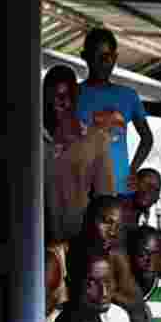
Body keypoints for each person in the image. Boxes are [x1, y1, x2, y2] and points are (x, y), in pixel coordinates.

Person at [66, 194, 157, 322]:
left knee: (138, 314)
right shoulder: (68, 252)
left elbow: (135, 301)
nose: (113, 232)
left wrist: (104, 292)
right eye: (107, 223)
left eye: (118, 227)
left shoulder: (115, 254)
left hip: (107, 316)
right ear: (89, 219)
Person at [75, 28, 153, 196]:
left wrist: (133, 169)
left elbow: (147, 138)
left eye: (107, 57)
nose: (102, 63)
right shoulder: (74, 95)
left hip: (120, 187)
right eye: (96, 57)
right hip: (82, 188)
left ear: (115, 58)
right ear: (84, 56)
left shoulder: (128, 96)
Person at [42, 64, 115, 244]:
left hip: (79, 245)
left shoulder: (96, 140)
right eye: (57, 97)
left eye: (69, 97)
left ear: (77, 98)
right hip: (36, 244)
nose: (63, 103)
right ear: (44, 98)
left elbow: (104, 201)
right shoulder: (27, 141)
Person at [116, 167, 161, 249]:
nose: (150, 190)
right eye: (145, 183)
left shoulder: (137, 223)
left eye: (156, 189)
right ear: (132, 183)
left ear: (157, 198)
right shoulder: (114, 210)